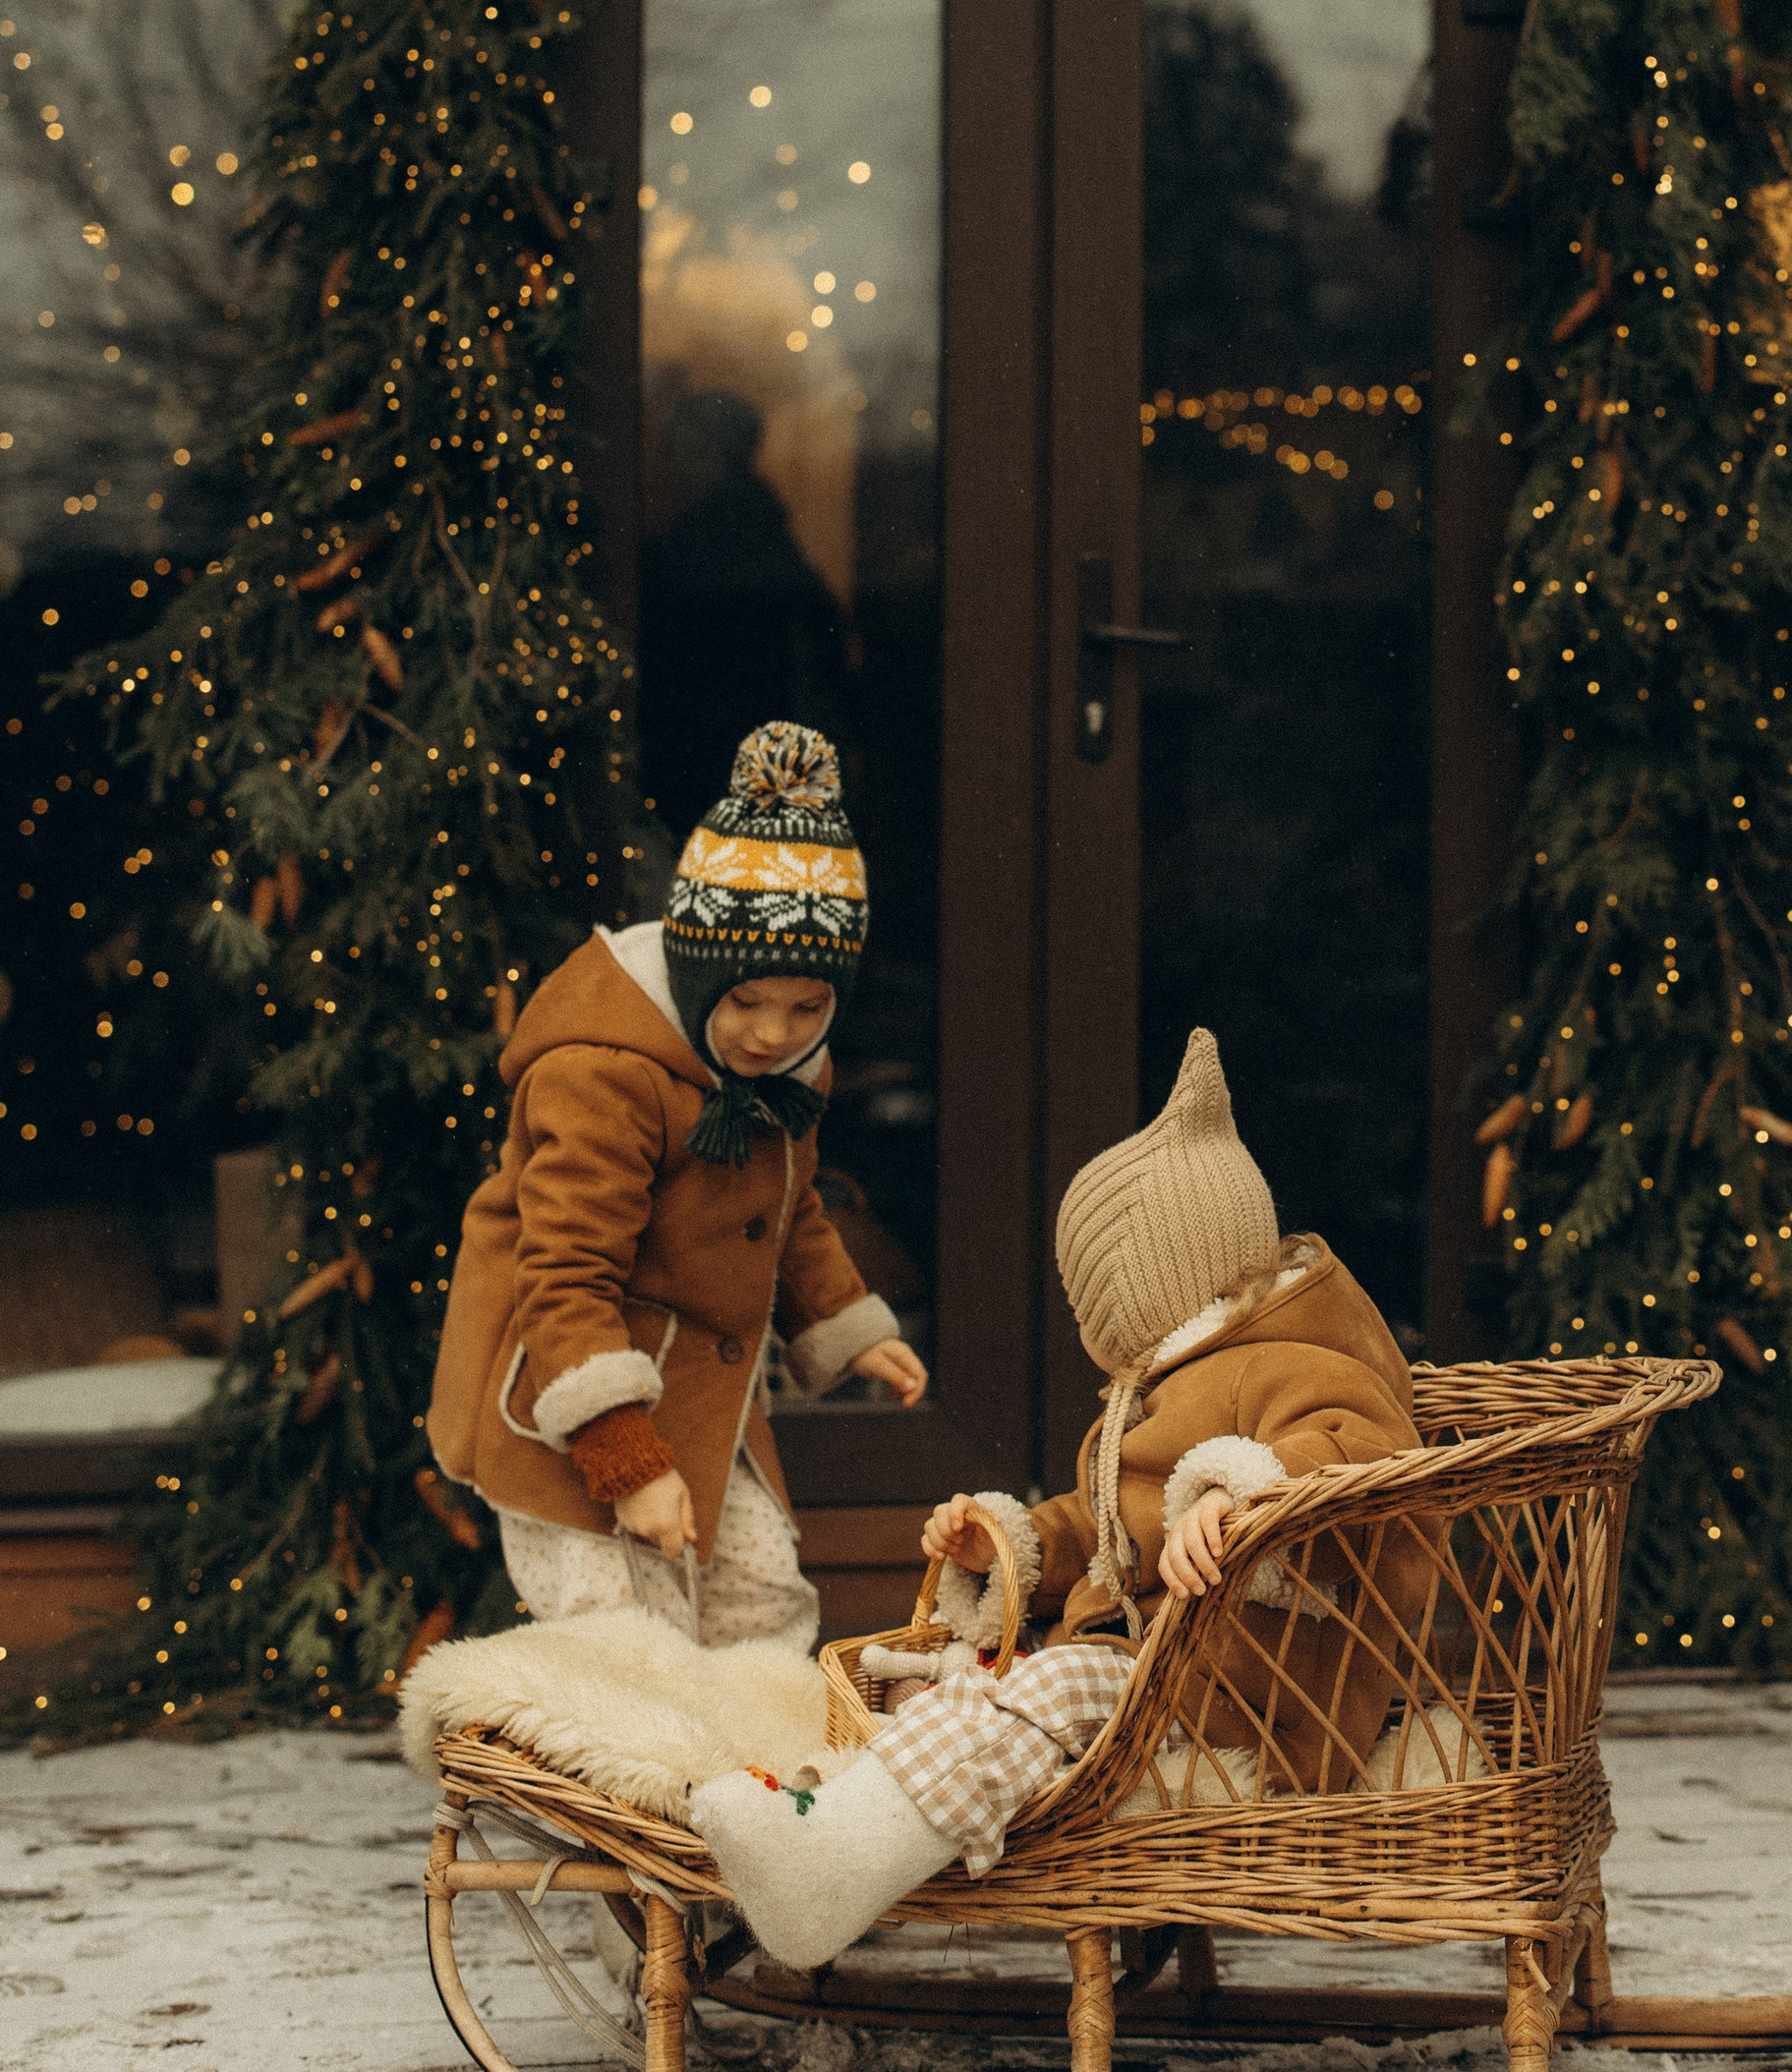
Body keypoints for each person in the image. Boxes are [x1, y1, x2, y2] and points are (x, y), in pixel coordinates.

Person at [691, 1027, 1421, 1965]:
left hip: (1247, 1685)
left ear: (1156, 1286)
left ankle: (828, 1873)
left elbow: (1361, 1462)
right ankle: (828, 1820)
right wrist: (1012, 1543)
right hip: (1154, 1658)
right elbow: (1105, 1525)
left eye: (1093, 1300)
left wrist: (1242, 1499)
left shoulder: (1297, 1363)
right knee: (951, 1679)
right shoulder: (1157, 1391)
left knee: (1044, 1689)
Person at [428, 719, 924, 1660]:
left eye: (807, 1007)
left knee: (760, 1595)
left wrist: (849, 1323)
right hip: (573, 1386)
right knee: (624, 1631)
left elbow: (791, 1211)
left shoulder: (788, 1072)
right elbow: (564, 1276)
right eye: (746, 1001)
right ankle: (615, 1801)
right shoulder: (603, 1074)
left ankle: (760, 1787)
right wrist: (623, 1456)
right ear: (699, 970)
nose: (775, 1035)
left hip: (702, 1384)